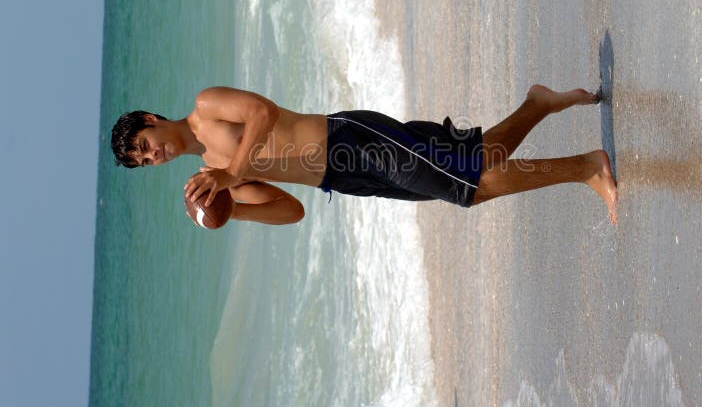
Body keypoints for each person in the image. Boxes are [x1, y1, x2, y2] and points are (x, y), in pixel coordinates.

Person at [111, 85, 618, 225]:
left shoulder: (206, 107)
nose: (151, 156)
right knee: (476, 161)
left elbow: (263, 115)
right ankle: (538, 104)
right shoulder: (213, 178)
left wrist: (230, 175)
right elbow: (292, 210)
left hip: (349, 139)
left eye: (142, 145)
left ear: (151, 121)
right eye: (143, 163)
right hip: (343, 179)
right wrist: (235, 206)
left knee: (469, 185)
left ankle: (587, 167)